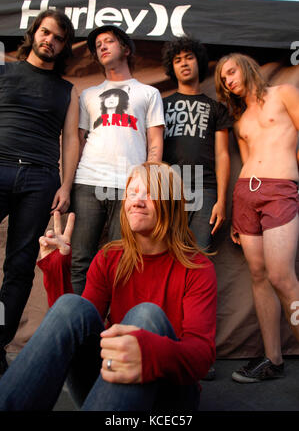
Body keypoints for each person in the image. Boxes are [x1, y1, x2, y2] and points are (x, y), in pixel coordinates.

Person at [0, 161, 217, 412]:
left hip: (170, 395)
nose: (136, 201)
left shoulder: (197, 267)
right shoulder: (109, 257)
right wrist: (56, 268)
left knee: (145, 316)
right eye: (132, 193)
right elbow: (79, 329)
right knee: (72, 305)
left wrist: (148, 352)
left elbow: (201, 357)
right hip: (110, 385)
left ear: (170, 203)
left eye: (149, 194)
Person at [0, 9, 79, 376]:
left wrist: (65, 184)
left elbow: (71, 139)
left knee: (19, 267)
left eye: (58, 37)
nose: (50, 40)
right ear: (34, 34)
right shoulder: (5, 70)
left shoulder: (67, 90)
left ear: (64, 46)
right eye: (45, 32)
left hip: (40, 180)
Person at [215, 52, 299, 383]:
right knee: (259, 275)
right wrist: (237, 212)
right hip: (246, 197)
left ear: (247, 67)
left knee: (282, 277)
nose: (228, 80)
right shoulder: (240, 120)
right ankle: (272, 359)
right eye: (223, 78)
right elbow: (247, 162)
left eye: (231, 71)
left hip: (280, 190)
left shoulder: (284, 93)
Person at [71, 25, 165, 295]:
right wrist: (66, 185)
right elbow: (77, 142)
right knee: (80, 260)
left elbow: (155, 143)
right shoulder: (88, 95)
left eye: (109, 41)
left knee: (120, 262)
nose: (102, 46)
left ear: (125, 49)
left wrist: (148, 184)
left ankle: (111, 331)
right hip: (87, 183)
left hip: (130, 189)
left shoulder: (148, 93)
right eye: (98, 44)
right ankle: (78, 326)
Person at [162, 36, 232, 251]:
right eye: (177, 60)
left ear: (198, 62)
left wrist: (221, 201)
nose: (184, 63)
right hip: (168, 190)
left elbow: (222, 155)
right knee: (166, 255)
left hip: (206, 190)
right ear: (171, 68)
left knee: (198, 256)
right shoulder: (160, 105)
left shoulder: (216, 108)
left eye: (189, 57)